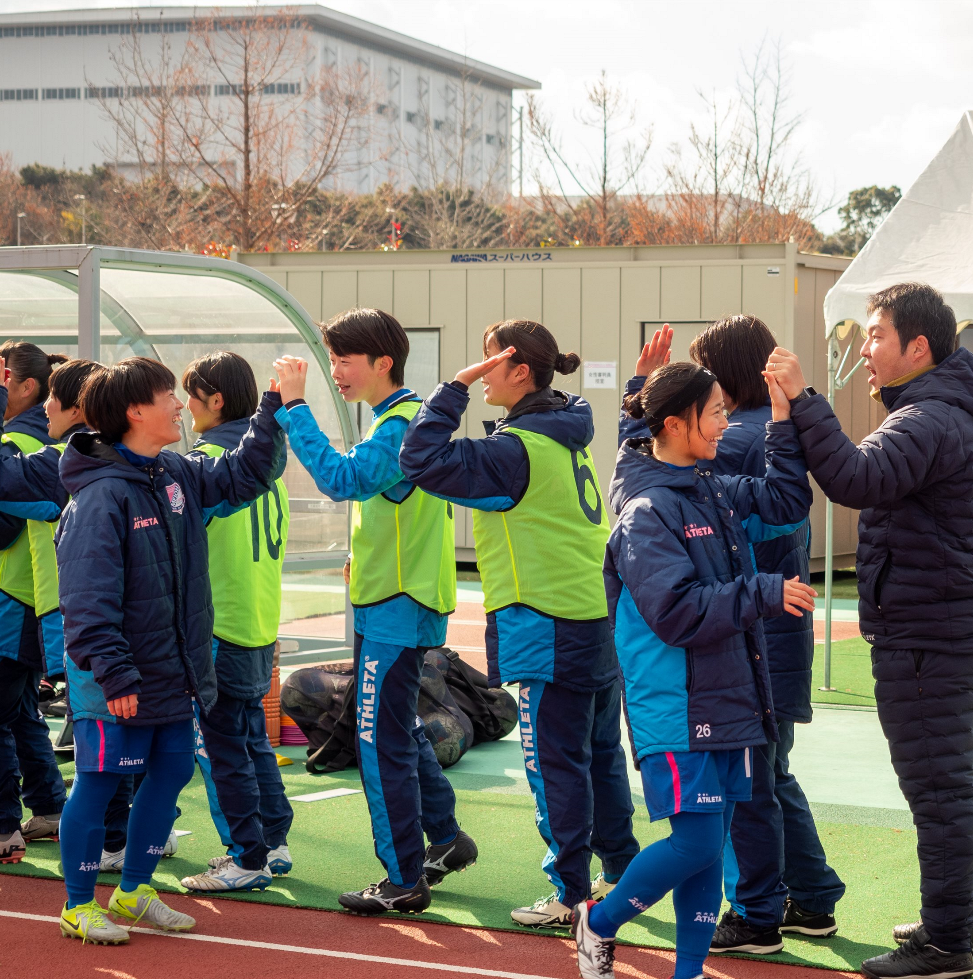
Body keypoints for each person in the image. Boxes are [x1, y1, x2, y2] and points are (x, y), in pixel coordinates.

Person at [764, 282, 973, 979]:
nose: (863, 349)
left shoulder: (928, 417)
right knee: (948, 782)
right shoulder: (943, 410)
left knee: (939, 788)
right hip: (940, 624)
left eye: (874, 335)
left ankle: (947, 940)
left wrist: (805, 401)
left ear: (918, 346)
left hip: (930, 632)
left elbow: (854, 478)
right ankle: (953, 921)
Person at [570, 360, 814, 979]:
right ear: (676, 425)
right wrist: (765, 591)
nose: (726, 424)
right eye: (715, 413)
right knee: (699, 842)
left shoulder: (709, 487)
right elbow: (676, 612)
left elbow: (786, 502)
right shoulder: (647, 513)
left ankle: (687, 978)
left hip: (728, 697)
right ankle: (598, 920)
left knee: (709, 842)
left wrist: (785, 419)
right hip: (676, 704)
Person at [399, 319, 639, 929]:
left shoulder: (515, 448)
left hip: (548, 619)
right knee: (600, 755)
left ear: (520, 369)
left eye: (489, 362)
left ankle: (570, 893)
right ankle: (619, 869)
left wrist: (452, 389)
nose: (481, 373)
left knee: (555, 764)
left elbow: (419, 458)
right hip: (593, 611)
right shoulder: (564, 425)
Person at [624, 318, 845, 954]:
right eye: (710, 407)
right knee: (761, 785)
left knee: (741, 800)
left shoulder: (719, 458)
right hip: (749, 643)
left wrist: (644, 397)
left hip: (732, 652)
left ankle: (749, 911)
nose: (720, 419)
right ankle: (802, 899)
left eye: (718, 396)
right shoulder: (680, 483)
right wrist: (645, 396)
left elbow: (687, 600)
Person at [54, 356, 283, 945]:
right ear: (135, 411)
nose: (180, 405)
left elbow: (245, 476)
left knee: (174, 770)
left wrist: (273, 408)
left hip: (172, 671)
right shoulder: (100, 496)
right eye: (167, 397)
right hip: (117, 679)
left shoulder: (174, 471)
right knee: (100, 782)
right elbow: (86, 600)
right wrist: (115, 675)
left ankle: (133, 890)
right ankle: (78, 904)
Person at [273, 308, 477, 916]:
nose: (334, 371)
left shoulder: (400, 426)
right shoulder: (398, 419)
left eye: (343, 360)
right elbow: (385, 504)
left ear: (382, 362)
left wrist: (295, 408)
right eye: (332, 359)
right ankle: (446, 839)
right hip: (391, 597)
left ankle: (402, 878)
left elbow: (342, 480)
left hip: (397, 604)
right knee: (395, 728)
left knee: (377, 740)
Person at [0, 357, 181, 870]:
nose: (45, 407)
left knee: (105, 744)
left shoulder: (70, 462)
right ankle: (117, 841)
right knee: (116, 738)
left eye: (55, 396)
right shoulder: (126, 466)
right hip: (94, 621)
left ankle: (107, 845)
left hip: (74, 621)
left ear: (81, 407)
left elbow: (3, 497)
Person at [177, 352, 295, 892]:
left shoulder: (203, 464)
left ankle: (246, 854)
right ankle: (273, 841)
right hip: (259, 618)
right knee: (252, 741)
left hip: (219, 623)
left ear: (215, 399)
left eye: (191, 394)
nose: (185, 406)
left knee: (222, 746)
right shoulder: (267, 464)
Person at [0, 344, 73, 863]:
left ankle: (0, 827)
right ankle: (49, 808)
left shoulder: (17, 442)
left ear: (27, 387)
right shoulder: (42, 441)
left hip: (11, 596)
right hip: (31, 599)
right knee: (19, 713)